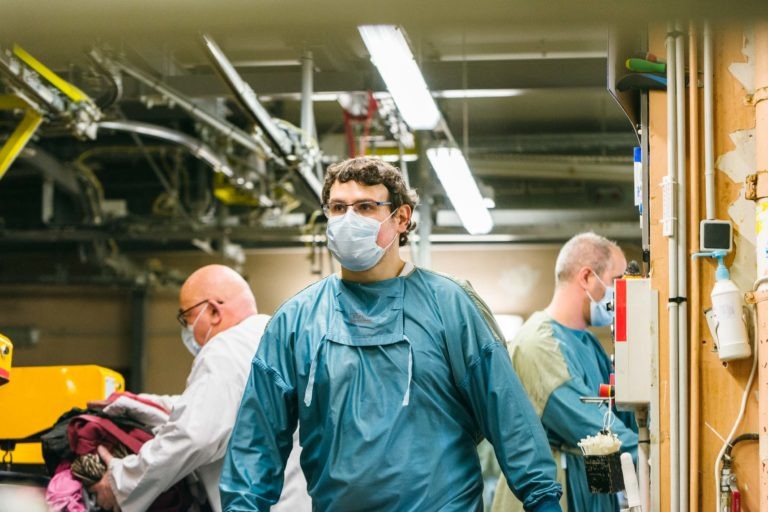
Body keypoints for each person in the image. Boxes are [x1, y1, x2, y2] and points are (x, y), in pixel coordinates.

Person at [220, 157, 563, 512]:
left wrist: (542, 499)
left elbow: (507, 413)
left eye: (365, 207)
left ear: (401, 218)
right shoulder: (297, 321)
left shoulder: (450, 306)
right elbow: (256, 440)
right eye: (338, 208)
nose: (348, 219)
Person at [89, 264, 310, 512]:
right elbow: (234, 410)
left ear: (214, 311)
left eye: (186, 317)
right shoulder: (281, 340)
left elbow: (194, 435)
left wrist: (121, 483)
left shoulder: (225, 348)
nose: (187, 329)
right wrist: (142, 403)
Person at [491, 232, 638, 512]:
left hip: (590, 489)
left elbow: (619, 413)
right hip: (552, 494)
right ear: (586, 277)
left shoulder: (589, 343)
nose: (620, 294)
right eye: (615, 282)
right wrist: (656, 456)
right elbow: (592, 428)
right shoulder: (538, 343)